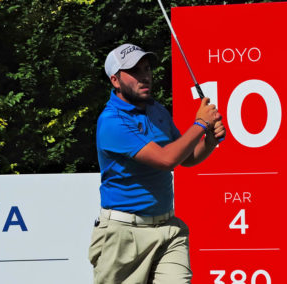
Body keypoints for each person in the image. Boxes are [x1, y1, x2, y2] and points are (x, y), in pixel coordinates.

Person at [88, 43, 225, 284]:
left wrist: (209, 141)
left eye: (147, 69)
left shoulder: (157, 110)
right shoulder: (111, 122)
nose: (145, 76)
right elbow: (166, 160)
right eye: (135, 71)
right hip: (123, 236)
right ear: (115, 81)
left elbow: (186, 157)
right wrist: (201, 124)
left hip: (168, 229)